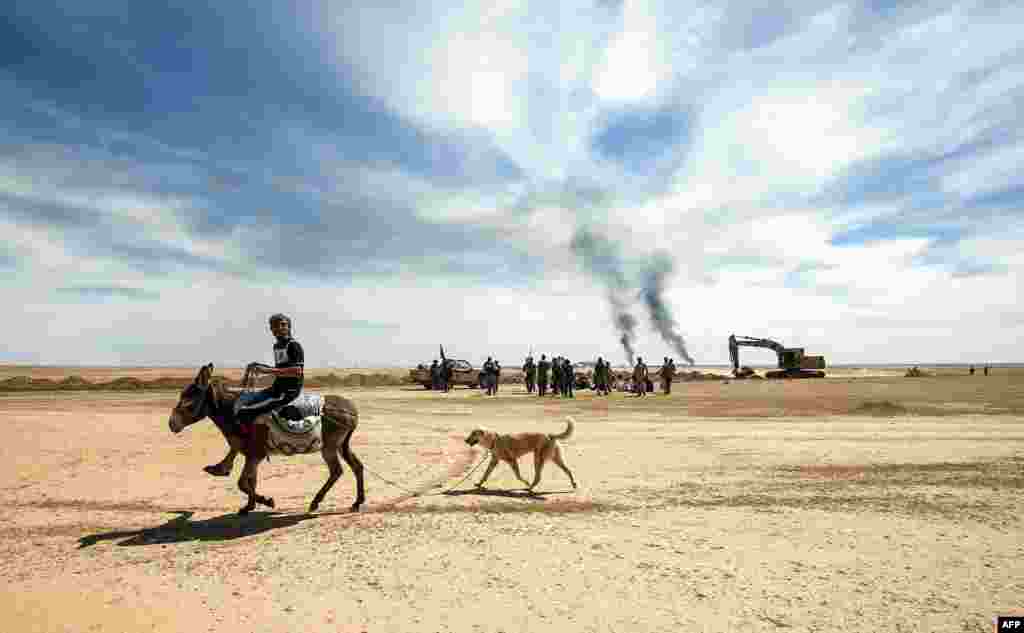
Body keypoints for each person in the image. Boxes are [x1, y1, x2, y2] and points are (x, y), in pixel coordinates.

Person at [235, 313, 305, 438]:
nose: (279, 328)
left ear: (289, 327)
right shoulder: (277, 346)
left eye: (283, 325)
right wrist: (258, 366)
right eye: (274, 326)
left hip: (288, 392)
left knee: (244, 412)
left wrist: (267, 371)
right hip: (275, 388)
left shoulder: (293, 345)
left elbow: (297, 371)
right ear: (271, 329)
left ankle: (254, 443)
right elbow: (280, 368)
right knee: (242, 401)